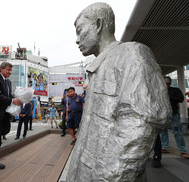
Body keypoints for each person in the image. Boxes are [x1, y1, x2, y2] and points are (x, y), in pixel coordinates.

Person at [66, 3, 172, 182]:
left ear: (98, 25)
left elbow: (139, 122)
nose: (77, 39)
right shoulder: (97, 68)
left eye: (80, 30)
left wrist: (106, 177)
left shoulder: (132, 54)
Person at [0, 61, 22, 170]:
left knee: (5, 130)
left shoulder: (8, 82)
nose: (10, 72)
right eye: (8, 70)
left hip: (5, 114)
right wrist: (12, 100)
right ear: (1, 69)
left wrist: (17, 99)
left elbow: (8, 95)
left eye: (11, 70)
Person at [160, 76, 189, 158]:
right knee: (163, 131)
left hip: (174, 114)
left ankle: (182, 150)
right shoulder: (160, 91)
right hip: (163, 115)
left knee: (177, 132)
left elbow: (181, 99)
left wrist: (170, 96)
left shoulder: (175, 90)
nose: (165, 85)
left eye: (166, 84)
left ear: (169, 83)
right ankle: (164, 147)